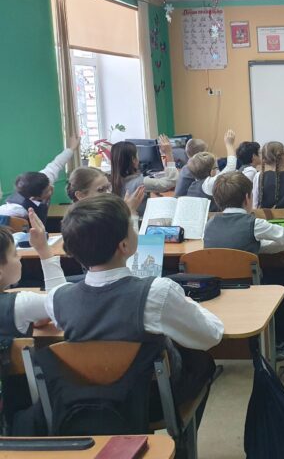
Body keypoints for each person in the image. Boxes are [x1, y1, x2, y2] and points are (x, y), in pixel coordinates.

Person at [44, 195, 223, 427]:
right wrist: (189, 302)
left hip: (83, 400)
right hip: (149, 402)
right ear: (124, 246)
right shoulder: (157, 292)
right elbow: (210, 335)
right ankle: (181, 440)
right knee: (202, 362)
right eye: (132, 226)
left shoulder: (57, 299)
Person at [205, 172, 284, 346]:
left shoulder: (209, 225)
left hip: (218, 289)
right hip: (249, 288)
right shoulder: (253, 223)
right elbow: (283, 234)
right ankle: (282, 340)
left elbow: (258, 245)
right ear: (247, 198)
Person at [0, 209, 65, 337]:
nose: (19, 257)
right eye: (15, 254)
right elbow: (62, 305)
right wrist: (44, 249)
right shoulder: (21, 303)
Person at [0, 135, 79, 223]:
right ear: (34, 198)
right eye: (47, 191)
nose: (52, 188)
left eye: (49, 185)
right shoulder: (17, 209)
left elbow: (57, 164)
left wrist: (71, 148)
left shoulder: (42, 181)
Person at [110, 136, 179, 215]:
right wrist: (168, 153)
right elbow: (172, 181)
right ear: (133, 160)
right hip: (140, 220)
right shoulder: (140, 182)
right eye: (137, 155)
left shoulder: (114, 181)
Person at [66, 166, 145, 216]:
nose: (108, 193)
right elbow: (129, 238)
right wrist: (130, 212)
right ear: (81, 195)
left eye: (108, 187)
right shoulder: (83, 222)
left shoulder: (103, 212)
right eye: (101, 190)